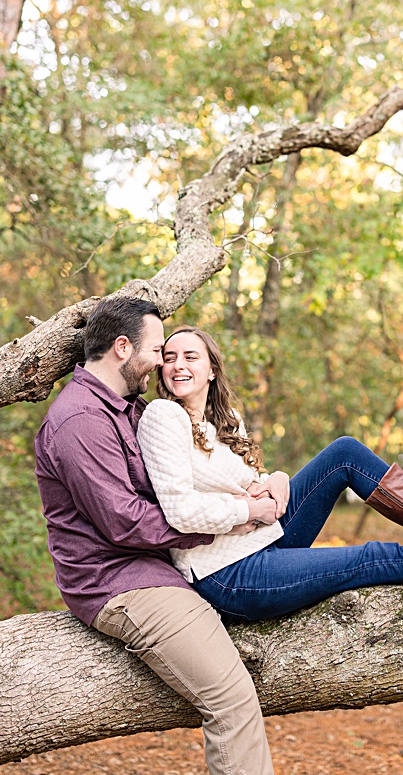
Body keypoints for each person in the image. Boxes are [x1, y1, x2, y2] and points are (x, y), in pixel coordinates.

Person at [136, 326, 403, 622]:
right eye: (169, 358)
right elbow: (179, 510)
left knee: (345, 452)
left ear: (212, 369)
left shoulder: (225, 417)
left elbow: (248, 479)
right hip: (227, 576)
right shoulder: (162, 416)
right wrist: (249, 508)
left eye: (190, 356)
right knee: (369, 555)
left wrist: (278, 479)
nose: (177, 366)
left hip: (262, 538)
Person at [34, 297, 274, 775]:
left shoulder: (127, 407)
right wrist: (229, 520)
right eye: (158, 351)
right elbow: (124, 521)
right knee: (231, 698)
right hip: (122, 583)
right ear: (123, 348)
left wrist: (257, 489)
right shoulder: (81, 420)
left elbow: (189, 472)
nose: (163, 364)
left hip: (159, 567)